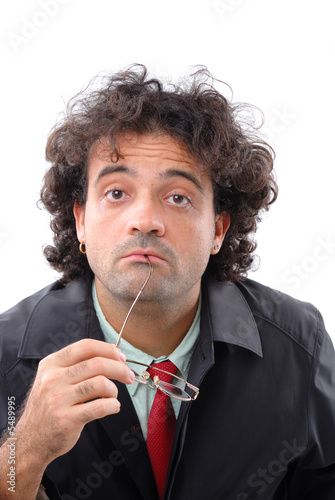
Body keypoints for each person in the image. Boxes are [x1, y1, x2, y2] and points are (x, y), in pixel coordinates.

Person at [0, 64, 334, 500]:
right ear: (81, 220)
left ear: (218, 230)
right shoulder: (6, 356)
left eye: (178, 197)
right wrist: (22, 454)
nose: (145, 221)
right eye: (117, 193)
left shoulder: (298, 347)